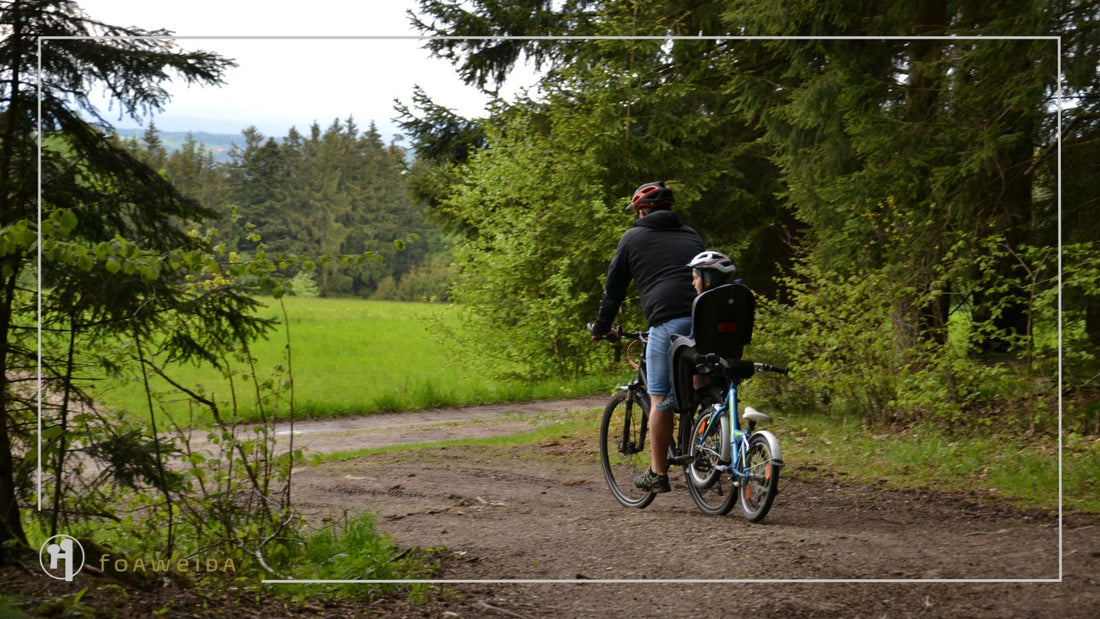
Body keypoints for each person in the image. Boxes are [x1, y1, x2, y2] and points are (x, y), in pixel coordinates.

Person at [589, 181, 703, 494]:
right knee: (700, 385)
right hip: (705, 317)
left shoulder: (633, 237)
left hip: (667, 324)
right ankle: (708, 440)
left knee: (660, 399)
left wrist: (601, 327)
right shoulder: (691, 234)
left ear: (642, 210)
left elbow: (613, 292)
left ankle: (657, 472)